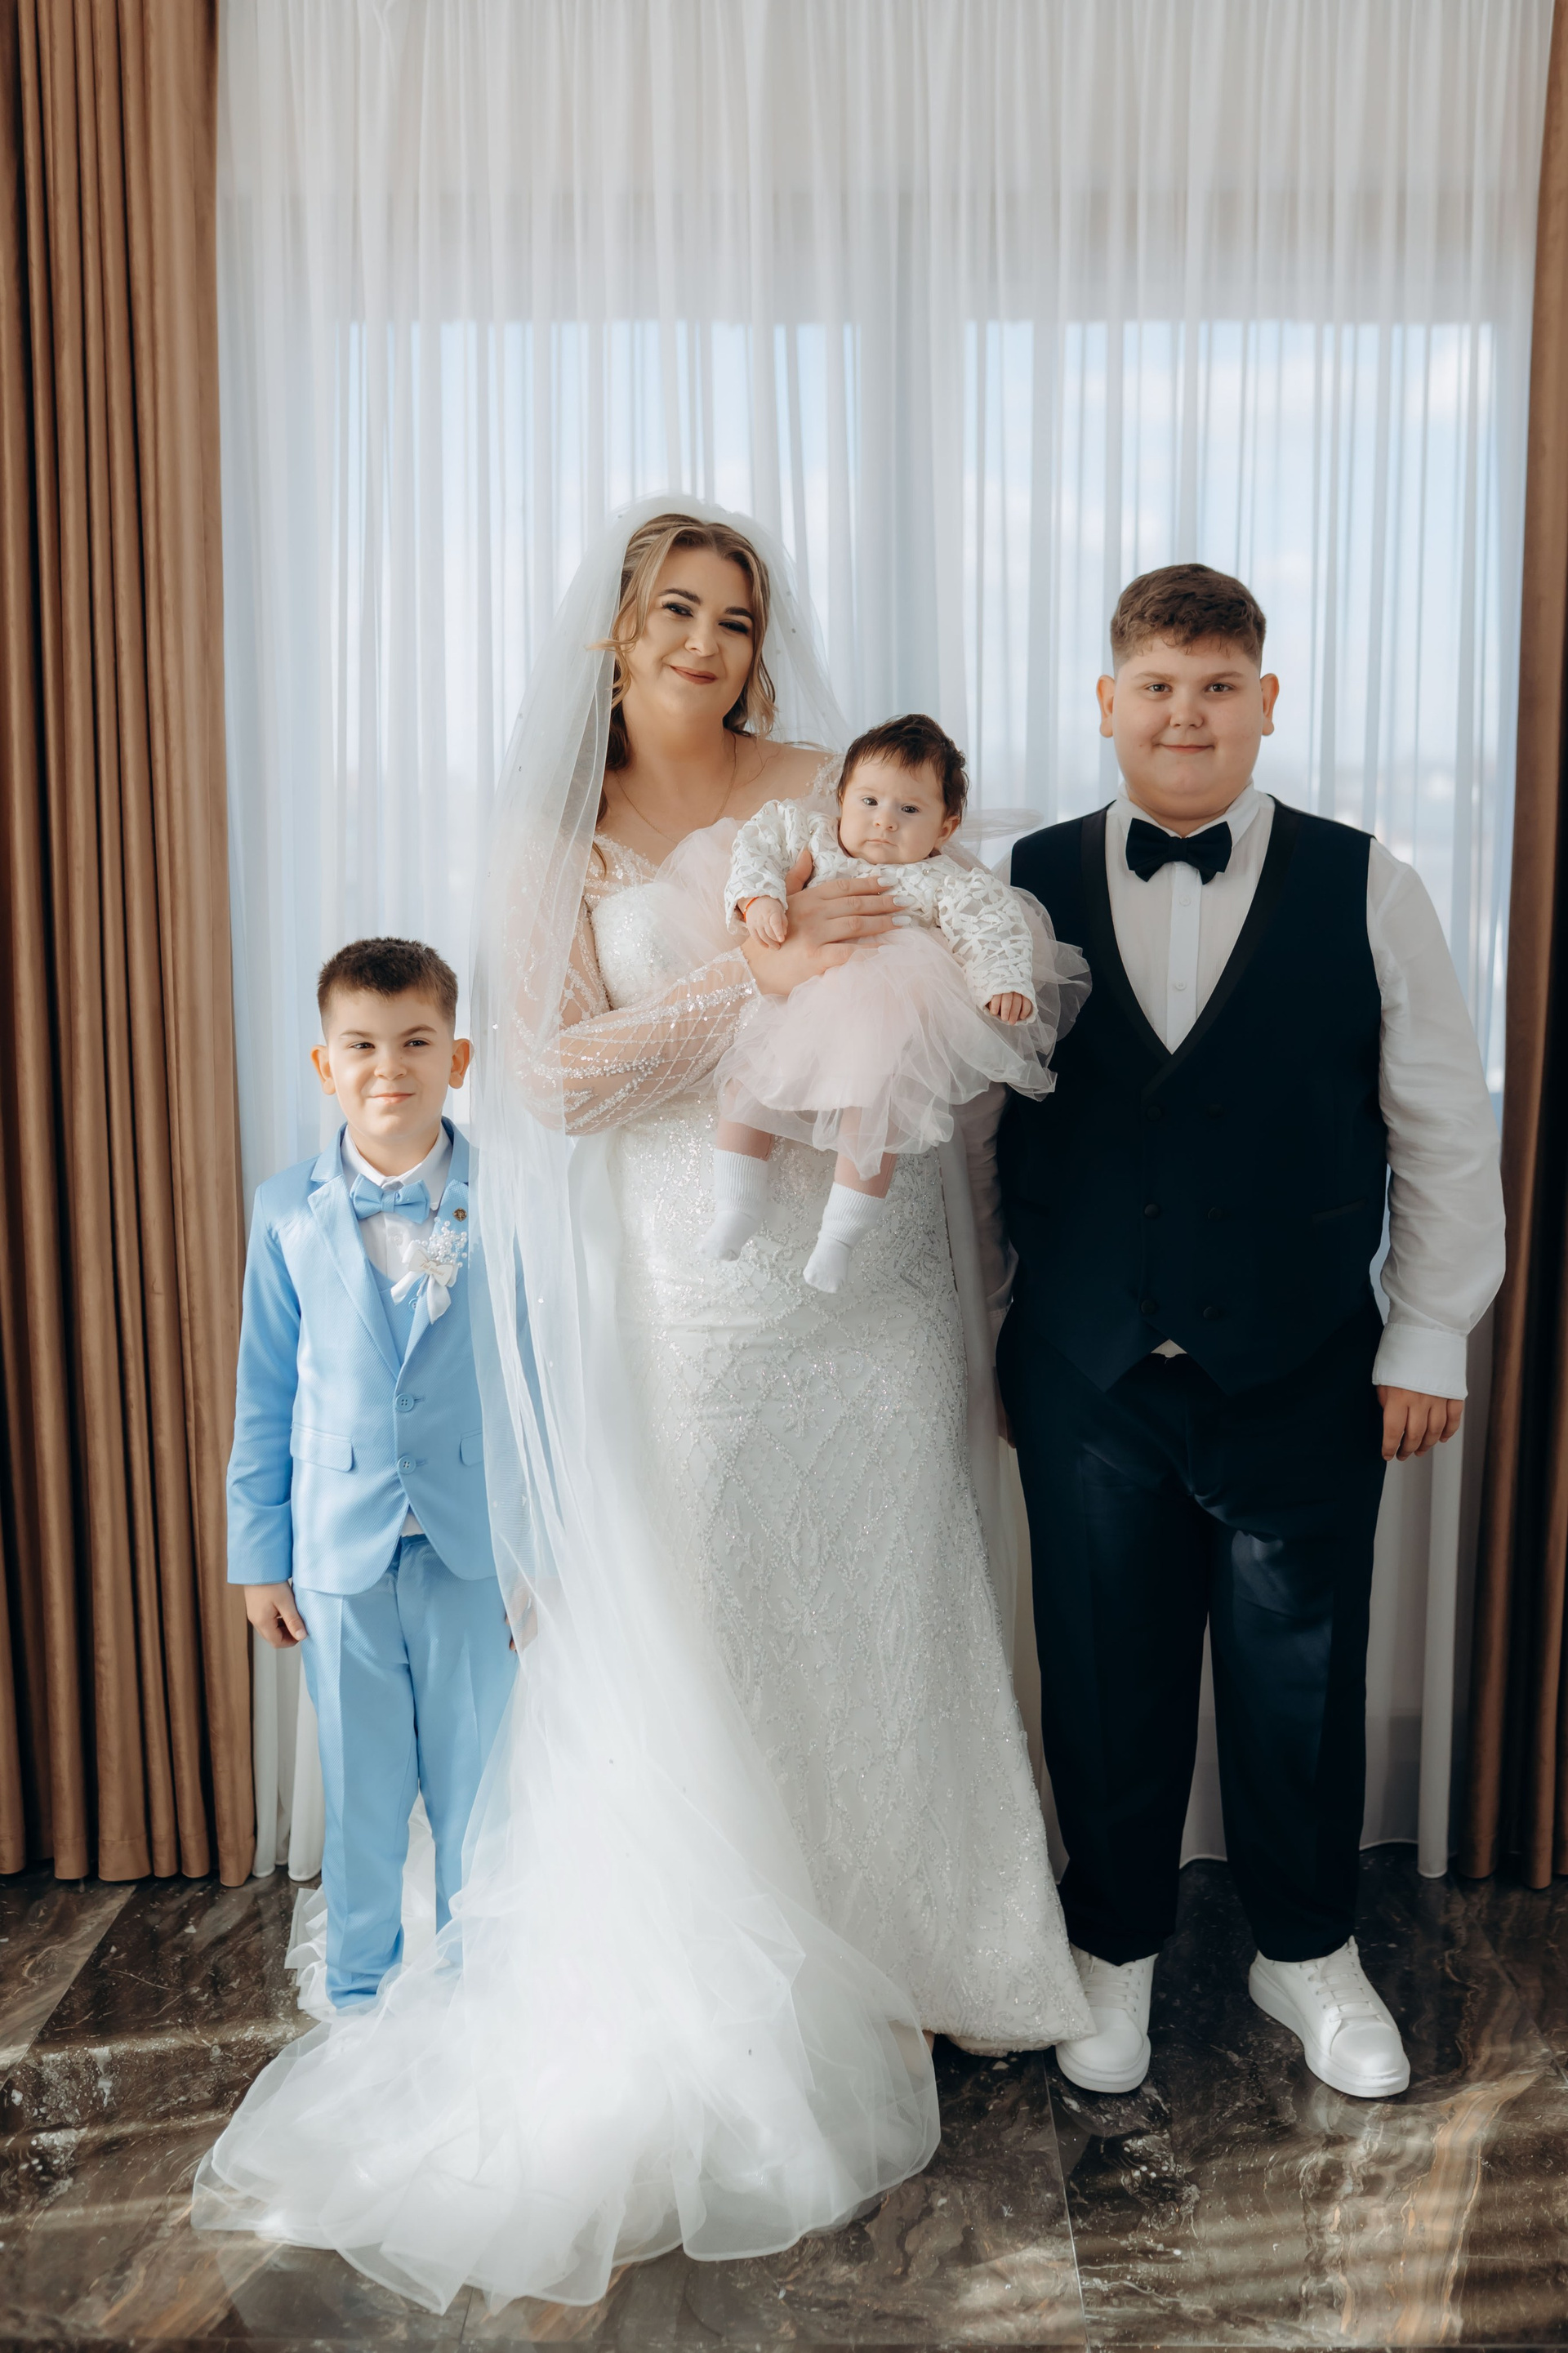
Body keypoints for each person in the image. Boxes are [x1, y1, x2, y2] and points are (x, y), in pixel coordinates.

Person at [193, 502, 1089, 2315]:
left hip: (879, 1273)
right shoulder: (556, 833)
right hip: (694, 1282)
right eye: (675, 609)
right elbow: (551, 1077)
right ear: (618, 627)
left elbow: (943, 1006)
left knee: (895, 1599)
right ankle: (781, 1972)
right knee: (722, 1614)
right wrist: (749, 974)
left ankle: (943, 1953)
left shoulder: (835, 781)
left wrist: (982, 1278)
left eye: (734, 617)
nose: (704, 641)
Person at [993, 563, 1505, 2101]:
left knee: (1304, 1675)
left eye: (1218, 685)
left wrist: (1428, 1335)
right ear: (1108, 701)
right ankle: (1116, 1944)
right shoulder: (1019, 882)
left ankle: (1308, 1948)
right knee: (1101, 1673)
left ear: (1266, 701)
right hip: (1086, 1368)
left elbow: (1442, 1124)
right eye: (1157, 685)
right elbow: (971, 1132)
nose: (1187, 714)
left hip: (1301, 1363)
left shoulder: (1370, 883)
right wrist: (997, 1334)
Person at [226, 938, 516, 2010]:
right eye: (361, 1046)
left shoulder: (507, 1197)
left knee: (479, 1793)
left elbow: (538, 1383)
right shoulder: (284, 1209)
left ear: (458, 1058)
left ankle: (483, 1995)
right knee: (360, 1794)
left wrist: (538, 1551)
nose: (388, 1067)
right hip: (337, 1550)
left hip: (474, 1547)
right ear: (324, 1065)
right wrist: (259, 1555)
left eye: (415, 1042)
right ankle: (358, 1997)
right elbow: (265, 1391)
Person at [658, 711, 1080, 1289]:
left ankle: (840, 1237)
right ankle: (736, 1207)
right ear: (841, 799)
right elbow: (757, 845)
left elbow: (991, 923)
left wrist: (1001, 979)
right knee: (746, 1085)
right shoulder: (811, 837)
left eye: (909, 810)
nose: (884, 821)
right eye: (870, 801)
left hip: (885, 1018)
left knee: (876, 1114)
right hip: (802, 1002)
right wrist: (760, 900)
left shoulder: (944, 880)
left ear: (945, 828)